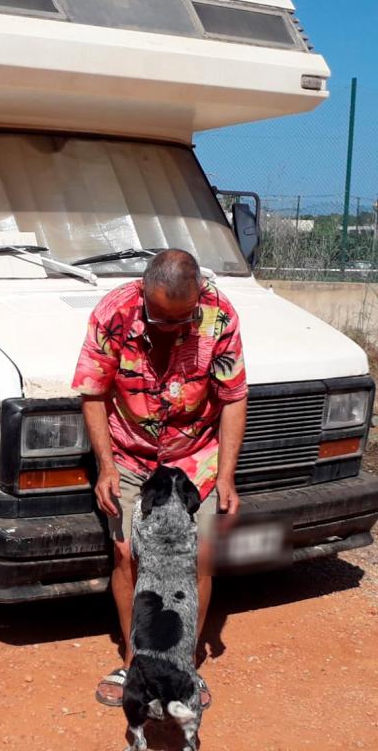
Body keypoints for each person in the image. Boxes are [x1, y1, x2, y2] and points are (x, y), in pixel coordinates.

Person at [72, 249, 247, 710]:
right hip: (130, 453)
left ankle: (183, 665)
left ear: (197, 300)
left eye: (181, 319)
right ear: (143, 291)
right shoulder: (115, 313)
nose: (169, 328)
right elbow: (93, 392)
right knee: (128, 553)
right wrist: (107, 467)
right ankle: (136, 663)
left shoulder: (219, 314)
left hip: (196, 457)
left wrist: (226, 476)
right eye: (159, 318)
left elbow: (233, 397)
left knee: (200, 559)